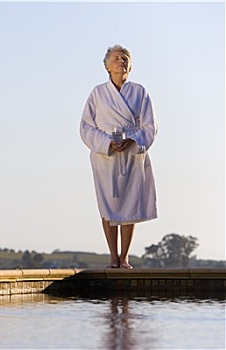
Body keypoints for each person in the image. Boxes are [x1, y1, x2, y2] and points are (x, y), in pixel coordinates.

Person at [80, 45, 158, 269]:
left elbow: (150, 125)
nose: (120, 61)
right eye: (115, 58)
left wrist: (132, 140)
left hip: (132, 154)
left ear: (130, 65)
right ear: (107, 66)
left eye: (124, 58)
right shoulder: (97, 93)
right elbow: (86, 127)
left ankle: (124, 257)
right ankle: (112, 257)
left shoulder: (140, 92)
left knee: (130, 204)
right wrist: (106, 143)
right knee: (108, 204)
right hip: (106, 156)